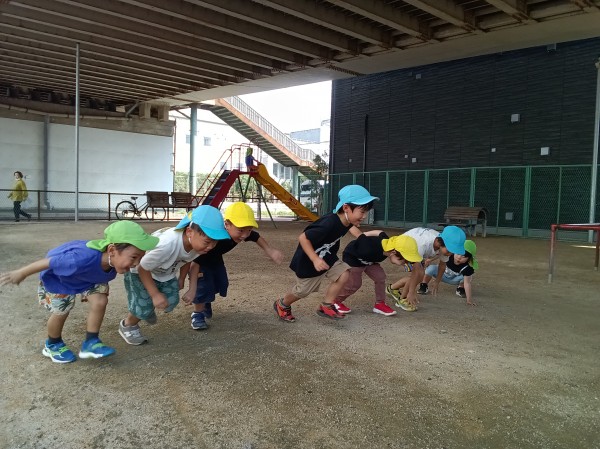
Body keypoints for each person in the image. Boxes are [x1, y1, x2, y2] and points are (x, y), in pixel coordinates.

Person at [0, 221, 159, 364]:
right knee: (62, 311)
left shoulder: (113, 263)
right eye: (134, 257)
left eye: (140, 258)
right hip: (59, 280)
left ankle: (91, 342)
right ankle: (53, 344)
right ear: (111, 250)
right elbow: (49, 262)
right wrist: (21, 273)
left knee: (100, 301)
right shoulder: (79, 259)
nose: (136, 263)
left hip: (88, 279)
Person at [118, 205, 230, 345]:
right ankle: (128, 325)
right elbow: (142, 268)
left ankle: (147, 309)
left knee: (170, 301)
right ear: (189, 232)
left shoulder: (198, 246)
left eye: (215, 242)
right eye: (208, 242)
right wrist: (154, 294)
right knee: (143, 306)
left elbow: (187, 259)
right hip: (140, 272)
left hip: (164, 272)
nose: (211, 247)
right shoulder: (167, 245)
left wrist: (182, 278)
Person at [274, 185, 378, 322]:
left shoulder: (347, 220)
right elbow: (303, 238)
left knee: (344, 273)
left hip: (327, 257)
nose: (364, 216)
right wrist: (315, 259)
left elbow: (352, 228)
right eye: (362, 212)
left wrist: (362, 238)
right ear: (346, 208)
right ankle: (282, 304)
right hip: (309, 261)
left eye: (366, 212)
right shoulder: (328, 223)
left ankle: (326, 305)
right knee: (303, 291)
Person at [182, 202, 284, 330]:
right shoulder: (215, 237)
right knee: (202, 286)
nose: (245, 235)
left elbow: (256, 236)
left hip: (215, 259)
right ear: (227, 224)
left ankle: (205, 301)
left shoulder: (242, 232)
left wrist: (270, 251)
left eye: (249, 230)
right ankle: (197, 314)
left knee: (221, 283)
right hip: (200, 261)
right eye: (241, 230)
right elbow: (195, 262)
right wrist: (191, 288)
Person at [333, 232, 423, 317]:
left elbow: (380, 232)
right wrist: (362, 234)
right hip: (354, 259)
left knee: (380, 277)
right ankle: (335, 301)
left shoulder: (387, 244)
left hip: (370, 261)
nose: (405, 263)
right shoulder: (369, 249)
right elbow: (359, 240)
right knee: (354, 284)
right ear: (393, 253)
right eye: (404, 261)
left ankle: (380, 304)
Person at [386, 226, 466, 312]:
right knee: (419, 275)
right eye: (449, 251)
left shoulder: (443, 246)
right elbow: (415, 272)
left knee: (420, 276)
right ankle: (403, 299)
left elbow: (442, 265)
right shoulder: (423, 244)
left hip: (415, 251)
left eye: (452, 252)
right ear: (439, 243)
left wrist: (437, 282)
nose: (450, 254)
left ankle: (392, 289)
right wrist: (411, 292)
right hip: (404, 249)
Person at [421, 239, 479, 306]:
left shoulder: (467, 268)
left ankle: (460, 288)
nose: (459, 257)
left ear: (469, 258)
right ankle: (424, 285)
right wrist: (430, 260)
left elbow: (467, 283)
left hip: (454, 280)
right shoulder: (449, 255)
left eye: (463, 256)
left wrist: (469, 300)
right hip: (442, 275)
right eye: (458, 253)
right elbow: (440, 255)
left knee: (468, 277)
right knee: (431, 268)